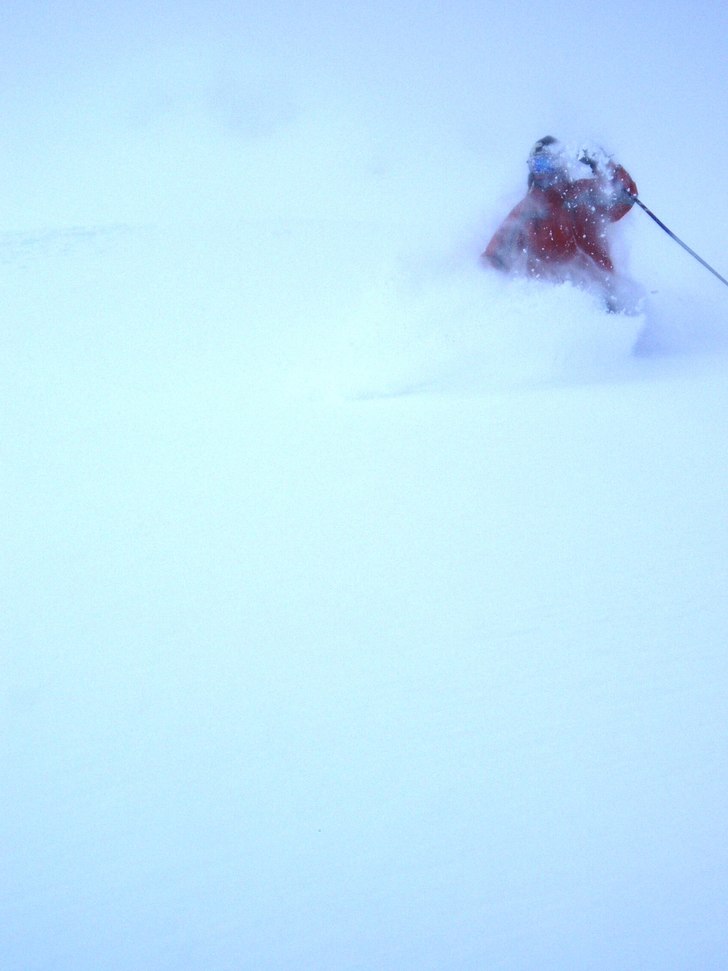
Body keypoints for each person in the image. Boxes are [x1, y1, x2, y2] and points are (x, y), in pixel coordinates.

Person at [482, 136, 639, 311]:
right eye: (537, 164)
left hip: (601, 296)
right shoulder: (527, 211)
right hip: (551, 304)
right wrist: (490, 289)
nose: (543, 171)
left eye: (548, 163)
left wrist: (604, 164)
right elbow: (495, 255)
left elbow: (624, 199)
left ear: (560, 163)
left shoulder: (583, 194)